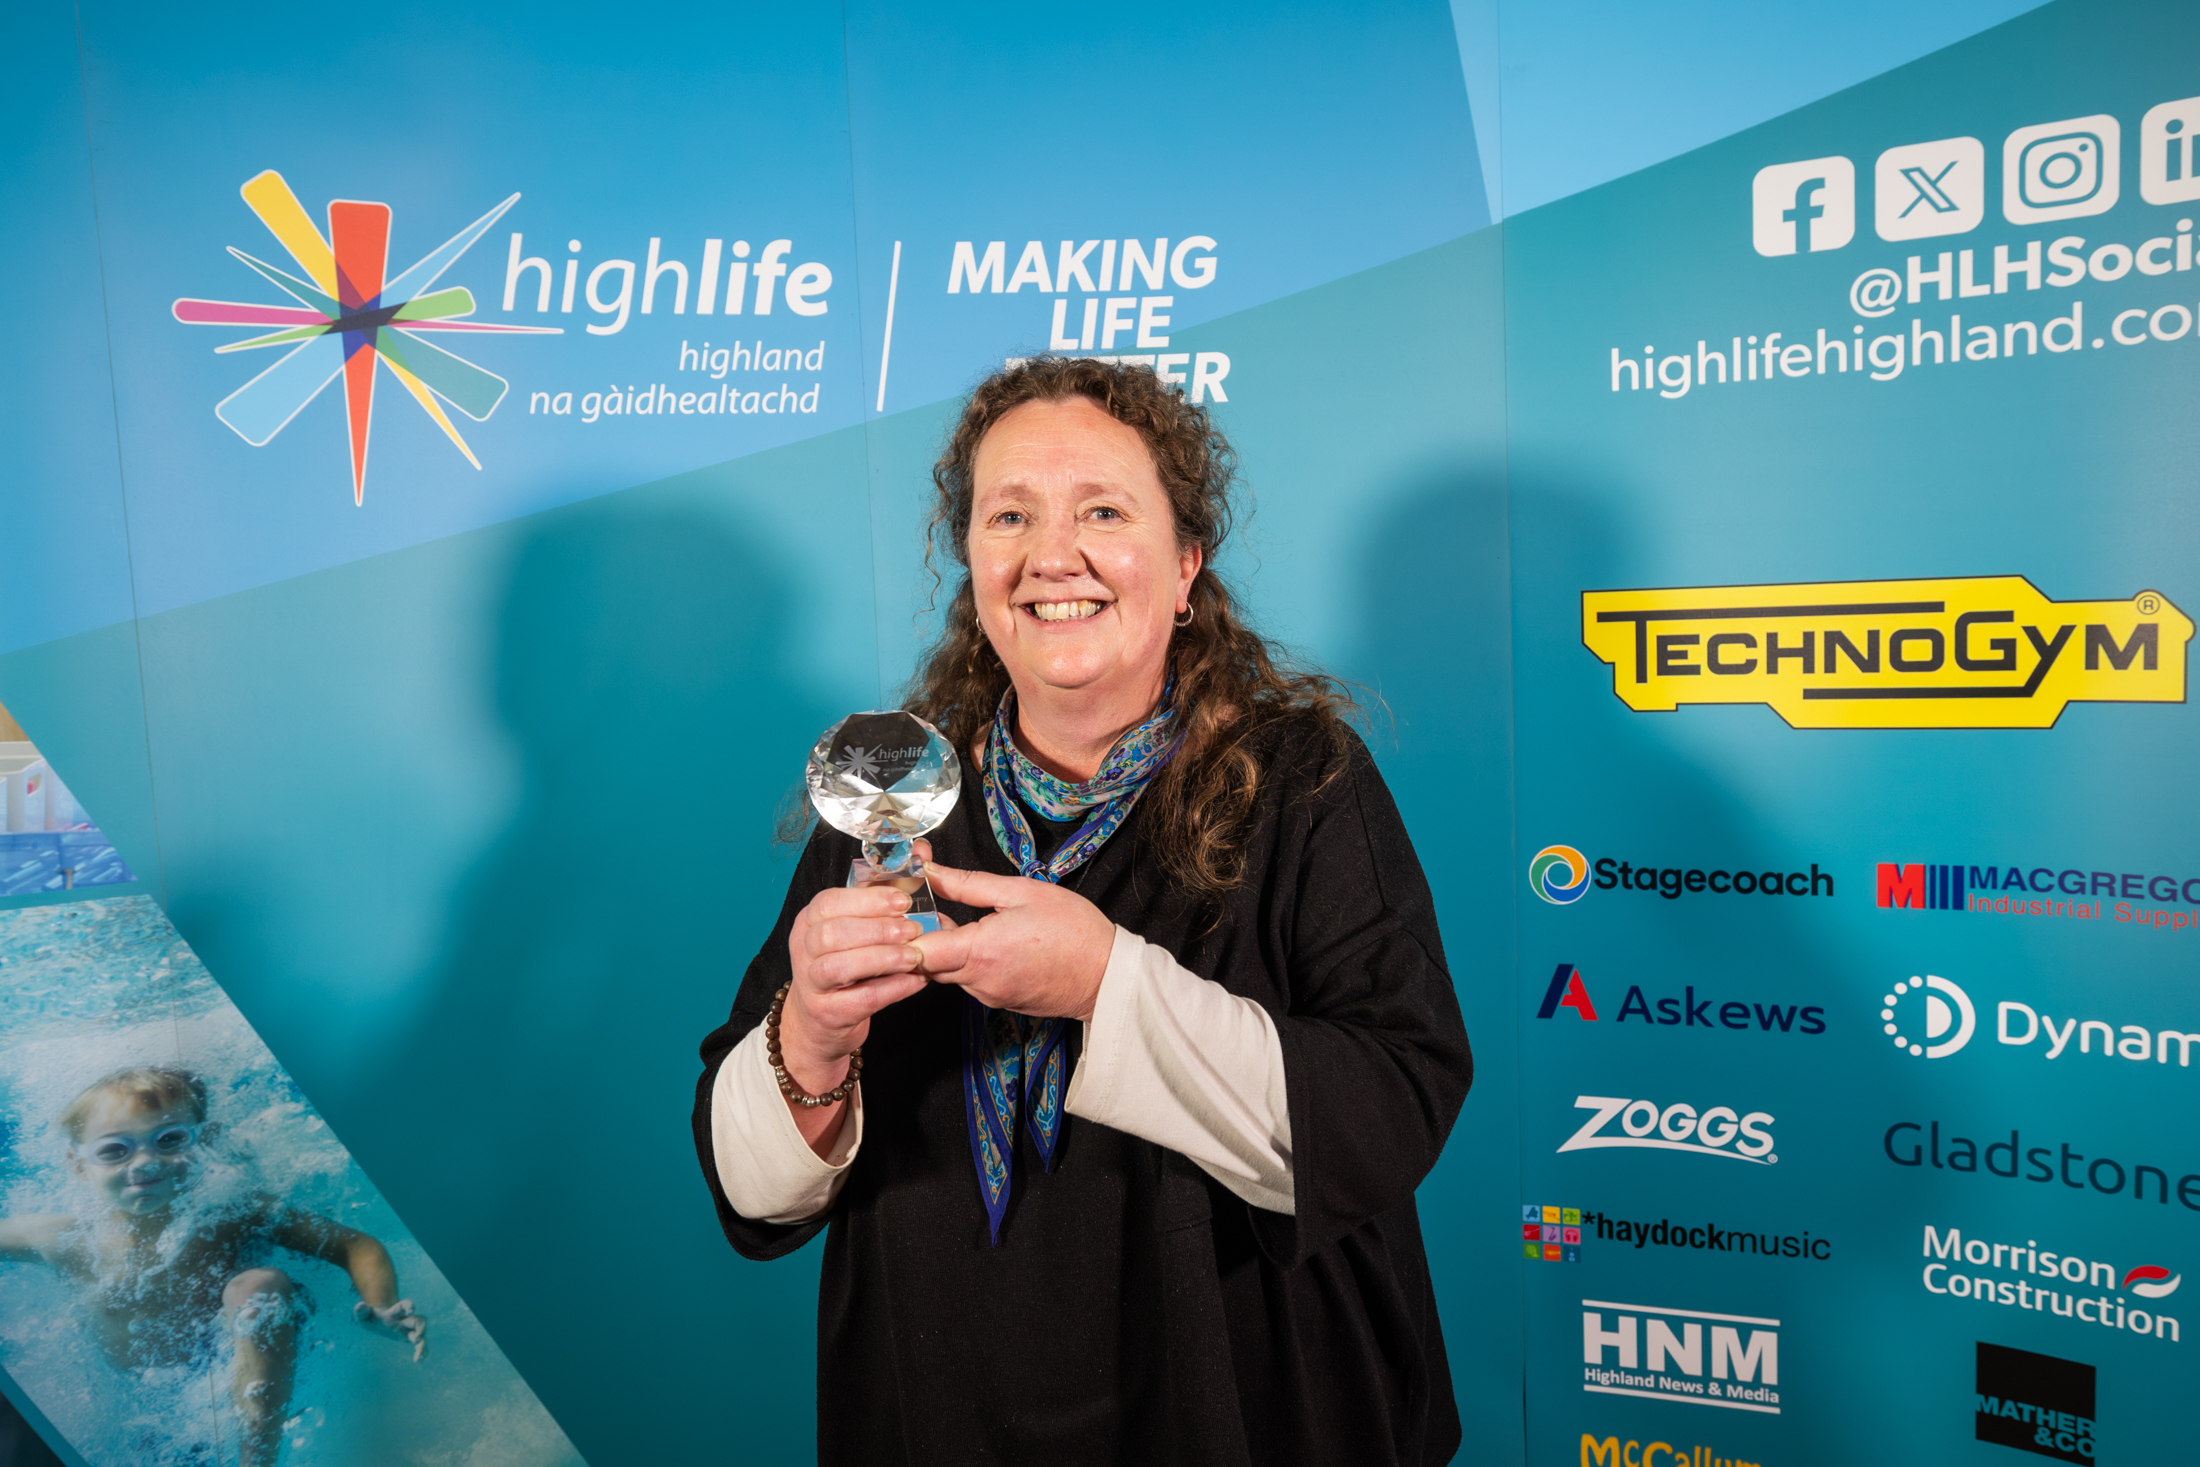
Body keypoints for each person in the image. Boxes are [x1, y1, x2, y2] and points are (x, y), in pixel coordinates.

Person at [693, 356, 1472, 1465]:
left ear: (1185, 562)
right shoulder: (891, 802)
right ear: (971, 558)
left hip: (1246, 1411)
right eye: (1010, 514)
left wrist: (1108, 984)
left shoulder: (1299, 778)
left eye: (1102, 510)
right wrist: (809, 1038)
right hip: (939, 1408)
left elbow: (1394, 1106)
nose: (1052, 556)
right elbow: (754, 1192)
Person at [0, 1066, 428, 1467]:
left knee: (256, 1286)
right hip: (149, 1419)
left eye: (169, 1140)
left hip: (256, 1374)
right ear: (78, 1165)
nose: (144, 1162)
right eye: (115, 1150)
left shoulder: (233, 1213)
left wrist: (381, 1305)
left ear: (201, 1142)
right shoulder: (64, 1240)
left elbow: (354, 1245)